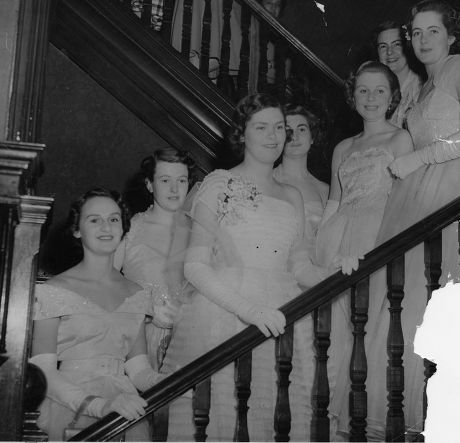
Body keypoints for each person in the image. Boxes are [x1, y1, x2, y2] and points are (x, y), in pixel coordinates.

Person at [162, 93, 328, 441]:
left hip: (283, 310)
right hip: (226, 313)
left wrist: (338, 274)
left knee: (275, 419)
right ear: (243, 134)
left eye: (279, 128)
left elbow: (299, 265)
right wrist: (249, 310)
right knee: (224, 419)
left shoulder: (292, 195)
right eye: (261, 127)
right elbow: (194, 266)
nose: (273, 136)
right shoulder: (219, 184)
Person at [365, 1, 460, 439]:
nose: (422, 40)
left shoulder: (458, 69)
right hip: (418, 200)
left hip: (449, 192)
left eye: (432, 31)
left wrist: (422, 155)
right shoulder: (421, 87)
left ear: (451, 36)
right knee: (411, 303)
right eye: (416, 33)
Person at [313, 61, 413, 440]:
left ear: (392, 97)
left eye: (379, 91)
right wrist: (320, 245)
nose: (370, 98)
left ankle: (366, 425)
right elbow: (334, 201)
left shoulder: (399, 140)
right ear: (352, 95)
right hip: (339, 237)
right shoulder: (343, 146)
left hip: (377, 234)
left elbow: (404, 199)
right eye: (363, 91)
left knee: (370, 326)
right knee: (337, 329)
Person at [29, 187, 165, 441]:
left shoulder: (137, 294)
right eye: (95, 220)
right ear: (77, 230)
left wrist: (165, 381)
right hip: (72, 404)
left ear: (123, 229)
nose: (106, 227)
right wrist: (98, 405)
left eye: (114, 219)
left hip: (125, 406)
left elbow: (137, 369)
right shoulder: (54, 290)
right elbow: (43, 370)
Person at [115, 147, 194, 372]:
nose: (174, 188)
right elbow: (106, 285)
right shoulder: (130, 229)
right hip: (138, 342)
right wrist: (148, 310)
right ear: (149, 184)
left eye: (181, 180)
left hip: (187, 342)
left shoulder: (199, 231)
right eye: (165, 180)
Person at [273, 103, 329, 252]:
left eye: (302, 129)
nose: (295, 137)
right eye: (288, 131)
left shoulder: (325, 191)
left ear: (312, 137)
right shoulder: (267, 179)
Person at [373, 20, 422, 128]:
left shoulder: (421, 88)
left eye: (397, 44)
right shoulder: (374, 91)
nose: (389, 52)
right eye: (383, 46)